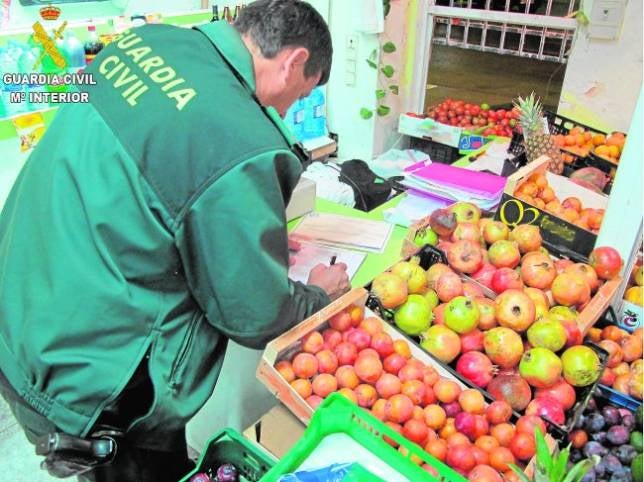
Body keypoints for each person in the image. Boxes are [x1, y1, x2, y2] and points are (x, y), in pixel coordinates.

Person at [0, 1, 348, 480]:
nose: (284, 110)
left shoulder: (147, 43)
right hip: (92, 384)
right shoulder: (238, 138)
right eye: (296, 95)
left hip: (21, 307)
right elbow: (253, 312)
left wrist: (232, 236)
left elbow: (145, 191)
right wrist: (318, 295)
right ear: (293, 62)